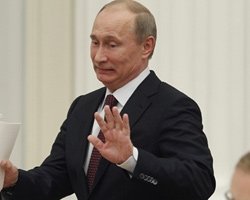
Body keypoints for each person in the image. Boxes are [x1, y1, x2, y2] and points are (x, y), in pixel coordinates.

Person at [0, 0, 215, 199]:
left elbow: (200, 181)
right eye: (95, 42)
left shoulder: (173, 106)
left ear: (146, 46)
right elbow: (56, 177)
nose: (99, 56)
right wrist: (14, 179)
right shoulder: (82, 107)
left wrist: (132, 159)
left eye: (112, 45)